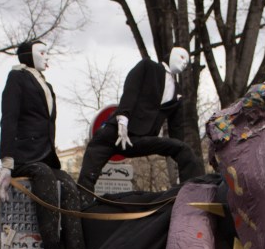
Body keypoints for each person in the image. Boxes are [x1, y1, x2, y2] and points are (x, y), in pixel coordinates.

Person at [0, 39, 85, 249]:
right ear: (28, 55)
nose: (47, 57)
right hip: (24, 155)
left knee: (68, 184)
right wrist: (6, 162)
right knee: (44, 178)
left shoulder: (44, 82)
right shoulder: (17, 78)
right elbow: (9, 119)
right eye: (42, 52)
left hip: (45, 153)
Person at [76, 47, 205, 198]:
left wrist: (181, 166)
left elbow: (176, 128)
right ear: (171, 55)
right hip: (115, 132)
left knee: (183, 149)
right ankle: (81, 202)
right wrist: (123, 119)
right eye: (182, 57)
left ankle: (191, 195)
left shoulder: (177, 92)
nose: (185, 64)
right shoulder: (148, 66)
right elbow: (131, 89)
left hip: (140, 139)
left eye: (187, 62)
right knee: (90, 166)